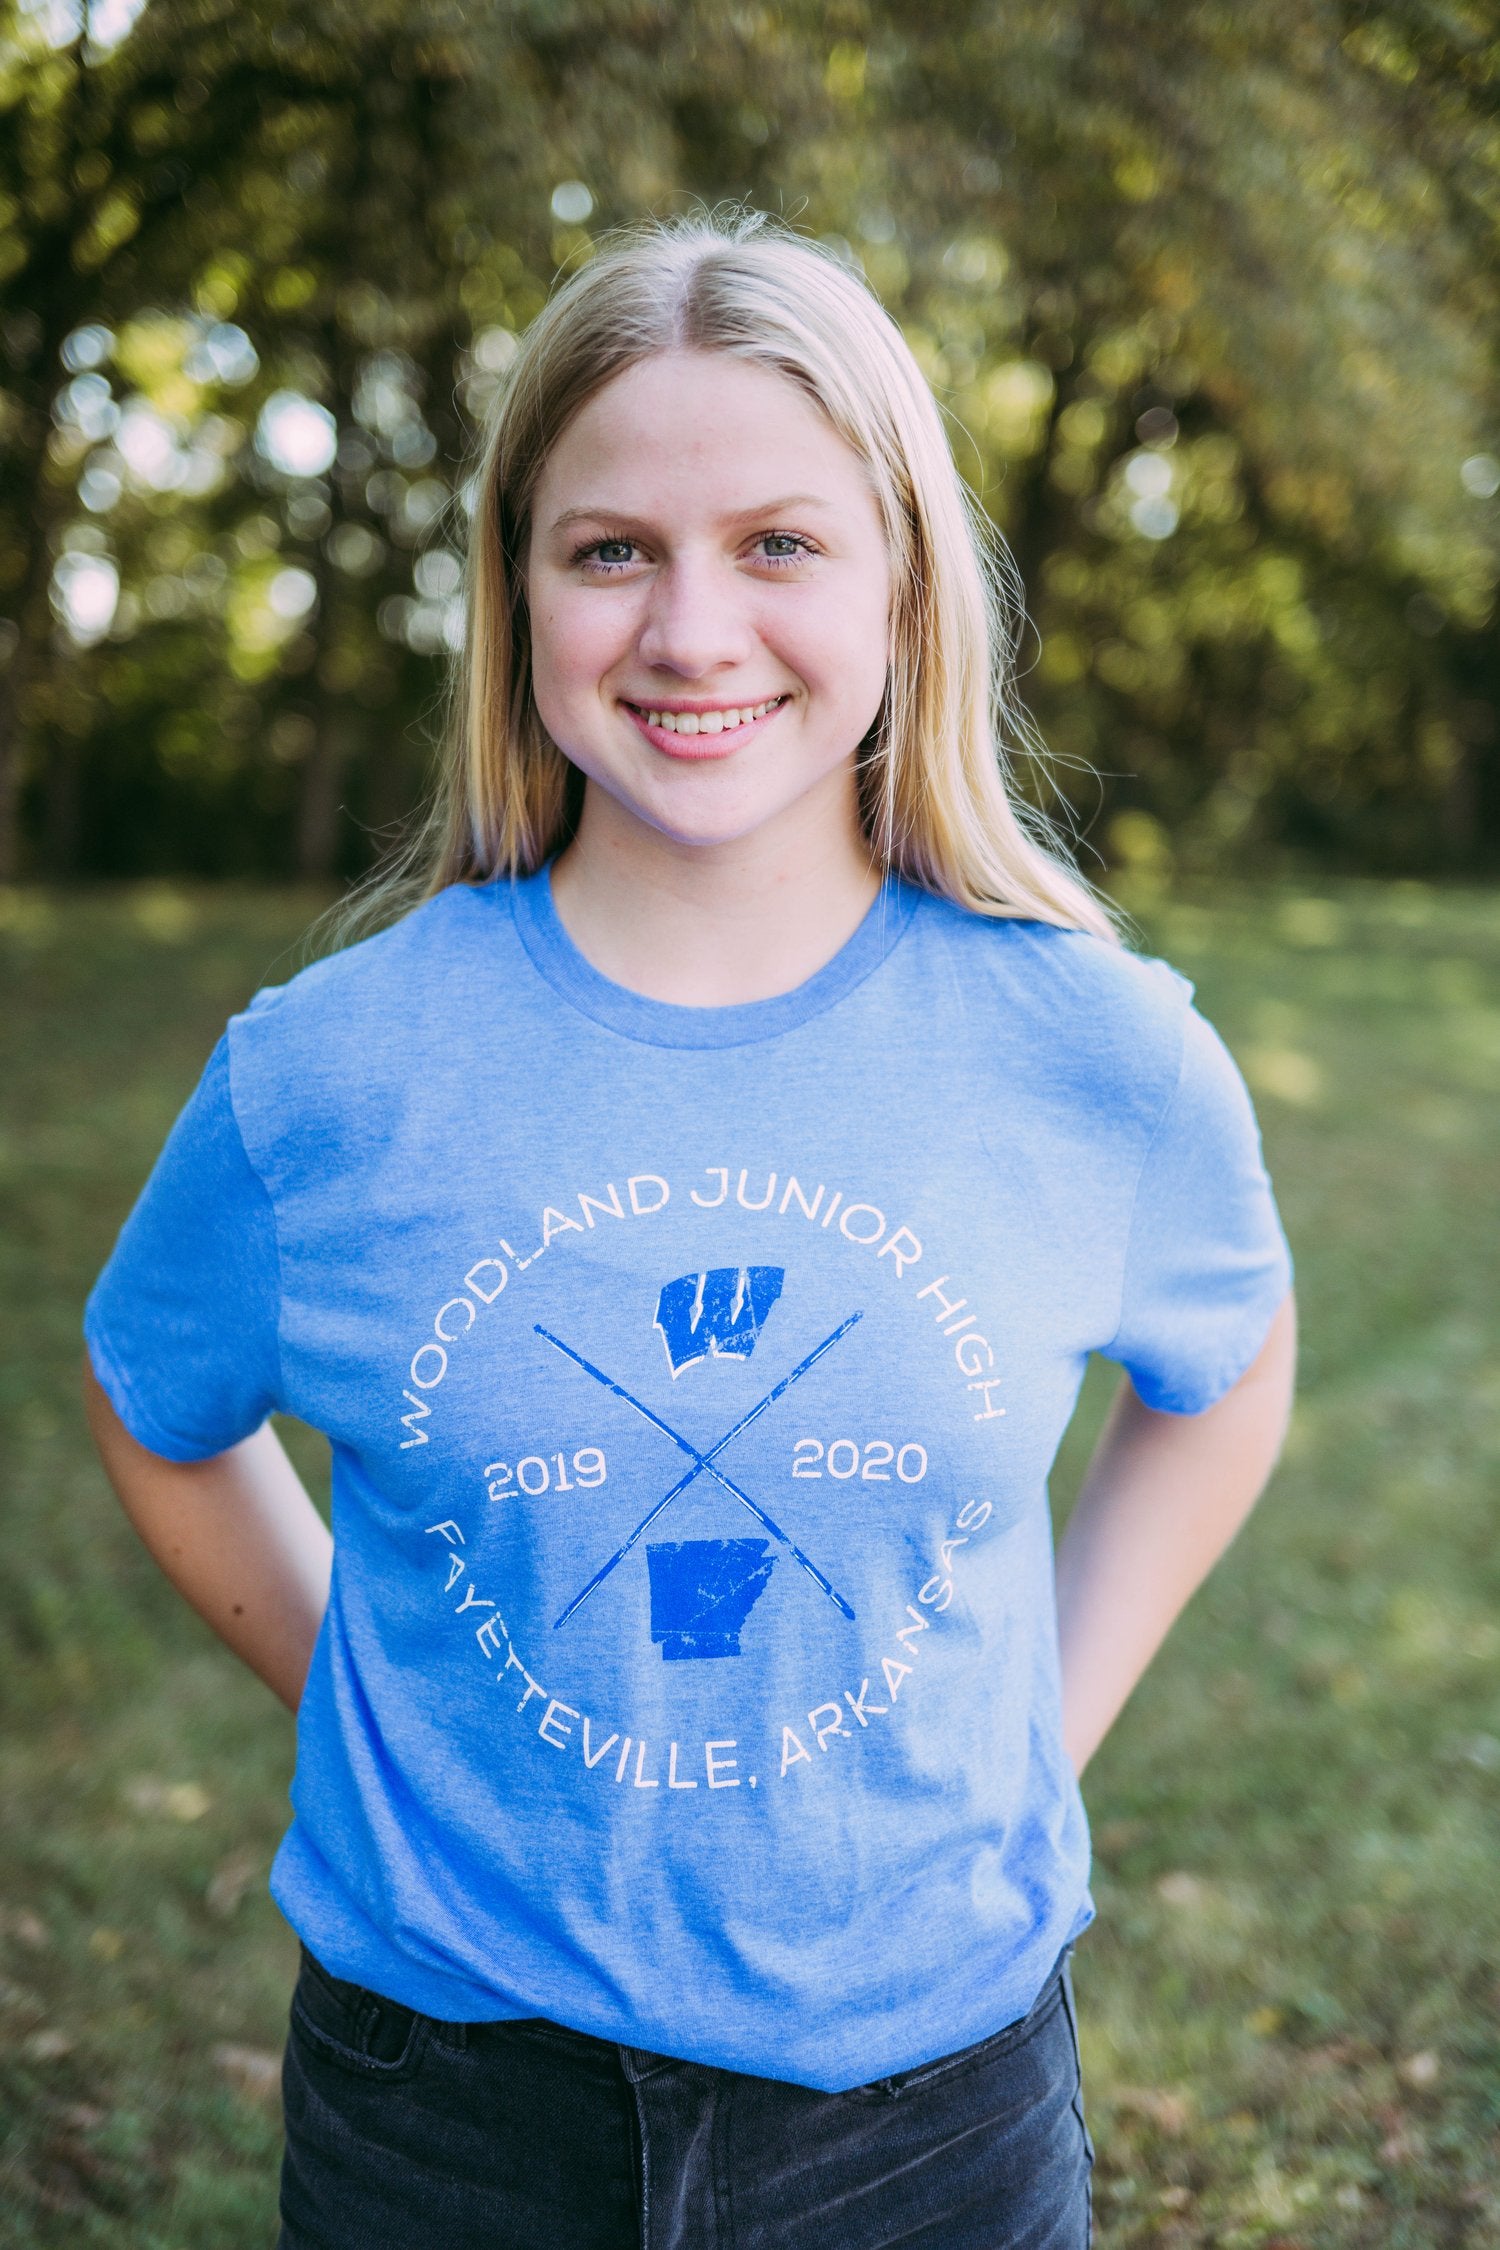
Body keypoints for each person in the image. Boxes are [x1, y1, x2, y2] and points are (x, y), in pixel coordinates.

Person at [82, 209, 1296, 2250]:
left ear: (905, 582)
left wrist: (1048, 1722)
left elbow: (1231, 1369)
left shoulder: (1098, 1053)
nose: (693, 628)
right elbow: (152, 1398)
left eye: (781, 543)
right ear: (519, 592)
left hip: (934, 2115)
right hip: (445, 2113)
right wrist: (360, 1696)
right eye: (612, 550)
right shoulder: (330, 1075)